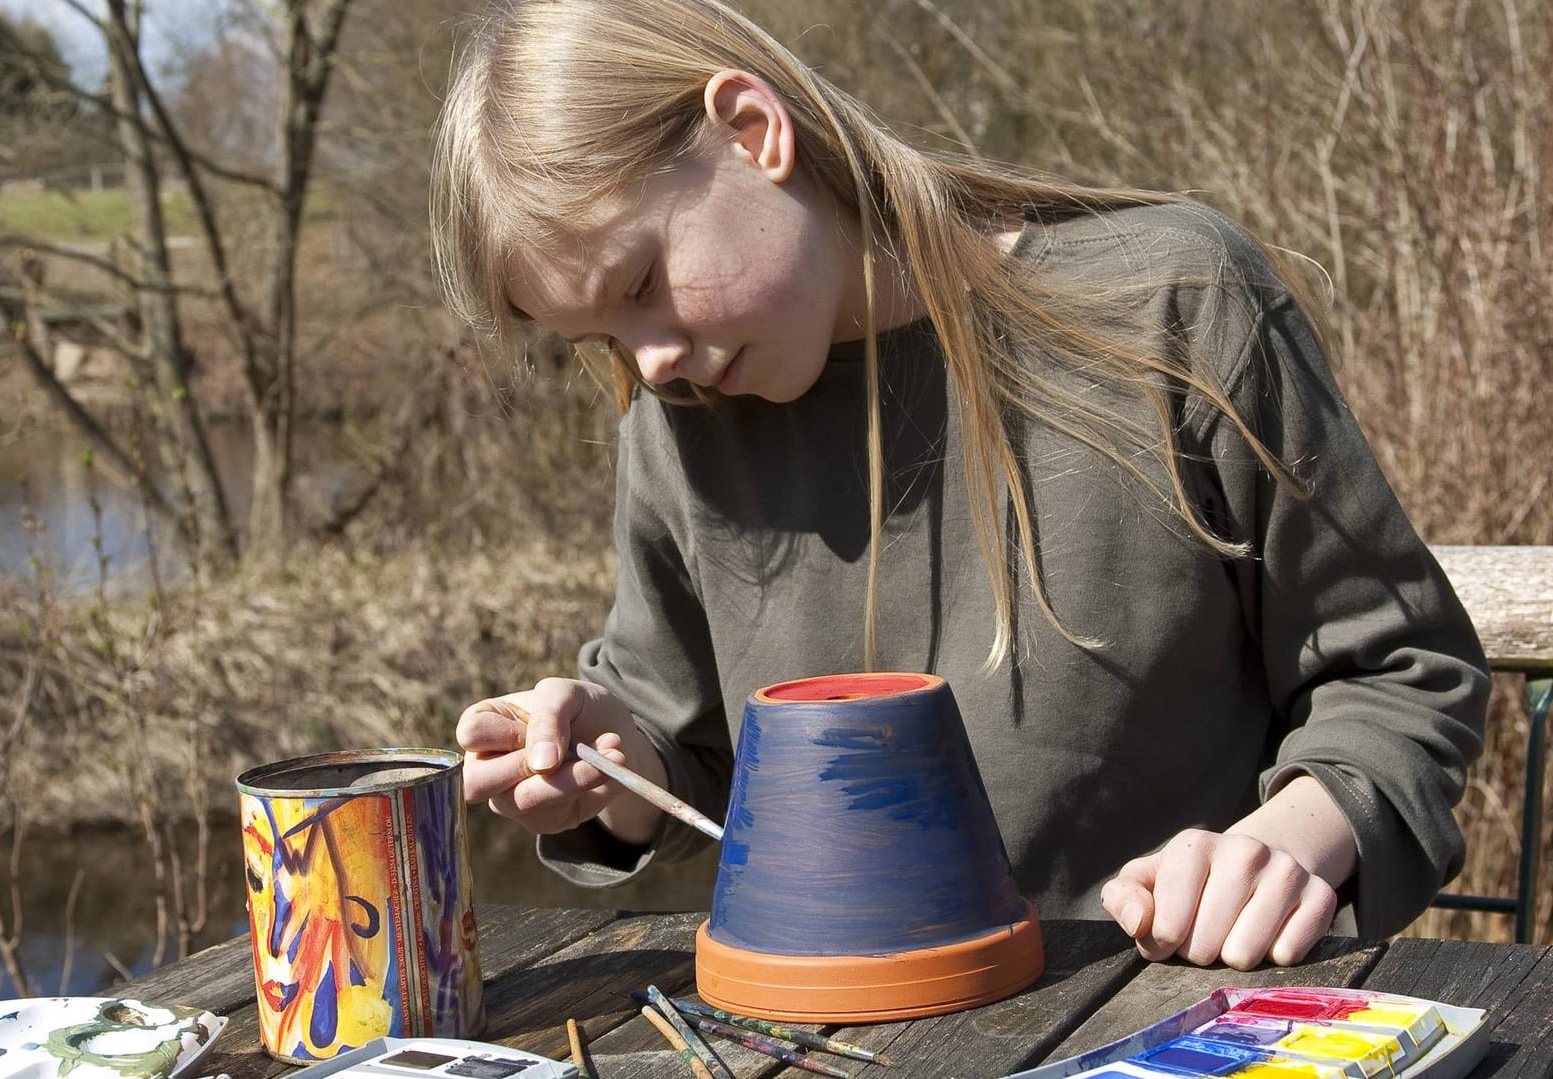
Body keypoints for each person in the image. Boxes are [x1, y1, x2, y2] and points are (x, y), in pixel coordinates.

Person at [430, 0, 1489, 970]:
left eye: (642, 283)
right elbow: (691, 758)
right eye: (601, 334)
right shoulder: (680, 424)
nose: (648, 359)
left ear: (753, 131)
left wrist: (1293, 835)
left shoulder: (1172, 304)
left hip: (1172, 1010)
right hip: (836, 1026)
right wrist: (619, 777)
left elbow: (1399, 671)